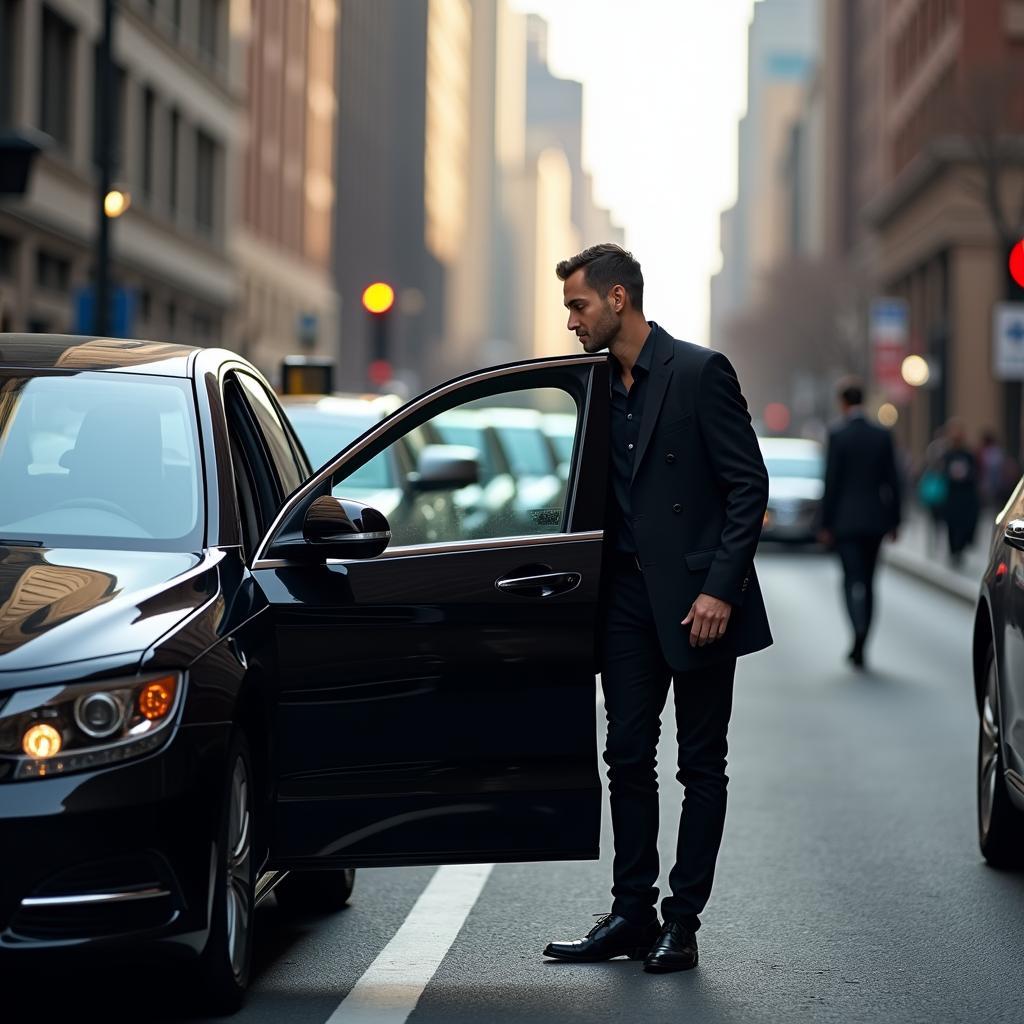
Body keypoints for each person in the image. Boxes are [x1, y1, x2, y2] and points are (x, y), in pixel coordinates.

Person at [542, 244, 772, 974]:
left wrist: (719, 591)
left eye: (578, 305)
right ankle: (630, 913)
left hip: (700, 604)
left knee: (701, 765)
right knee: (627, 757)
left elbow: (748, 487)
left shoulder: (701, 372)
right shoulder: (591, 384)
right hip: (624, 599)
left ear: (617, 299)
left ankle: (683, 922)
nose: (571, 321)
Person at [818, 379, 901, 669]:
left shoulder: (838, 435)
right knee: (869, 581)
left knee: (850, 579)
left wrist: (825, 523)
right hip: (876, 520)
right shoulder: (882, 435)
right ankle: (864, 636)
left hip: (845, 522)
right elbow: (894, 480)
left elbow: (831, 482)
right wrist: (895, 521)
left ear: (843, 403)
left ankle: (857, 630)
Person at [941, 418, 979, 567]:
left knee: (964, 525)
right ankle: (953, 552)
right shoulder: (947, 454)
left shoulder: (968, 454)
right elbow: (943, 472)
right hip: (952, 496)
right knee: (952, 525)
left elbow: (974, 473)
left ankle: (960, 550)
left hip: (965, 496)